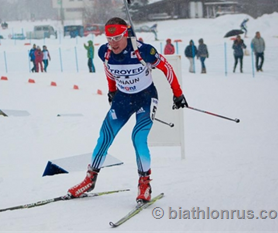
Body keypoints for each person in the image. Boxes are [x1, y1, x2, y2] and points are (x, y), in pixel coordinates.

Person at [67, 17, 188, 203]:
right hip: (123, 98)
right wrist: (112, 91)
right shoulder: (104, 52)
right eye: (109, 38)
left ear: (126, 34)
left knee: (138, 137)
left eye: (117, 38)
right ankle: (89, 179)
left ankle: (145, 183)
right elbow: (109, 71)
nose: (113, 43)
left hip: (146, 98)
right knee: (105, 135)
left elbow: (167, 68)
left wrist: (178, 94)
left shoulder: (144, 51)